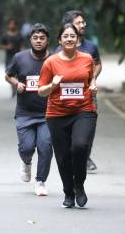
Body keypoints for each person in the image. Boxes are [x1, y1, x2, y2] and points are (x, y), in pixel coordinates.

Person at [38, 23, 97, 208]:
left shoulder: (87, 58)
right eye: (66, 36)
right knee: (63, 156)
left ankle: (79, 185)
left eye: (73, 36)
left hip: (83, 110)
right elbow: (41, 91)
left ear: (78, 39)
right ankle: (68, 193)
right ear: (59, 40)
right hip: (57, 114)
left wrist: (93, 85)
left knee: (79, 147)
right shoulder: (51, 62)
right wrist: (53, 86)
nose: (69, 39)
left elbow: (91, 77)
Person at [5, 23, 53, 196]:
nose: (38, 41)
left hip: (48, 113)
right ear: (30, 40)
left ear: (47, 40)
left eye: (42, 38)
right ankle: (26, 162)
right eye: (35, 38)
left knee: (45, 146)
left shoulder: (54, 59)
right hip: (25, 113)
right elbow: (8, 75)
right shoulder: (20, 58)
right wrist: (17, 83)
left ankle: (41, 181)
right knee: (27, 147)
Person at [56, 10, 102, 172]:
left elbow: (98, 65)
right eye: (78, 23)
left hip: (88, 95)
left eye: (83, 22)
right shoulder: (58, 51)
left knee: (88, 128)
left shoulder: (91, 47)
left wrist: (91, 79)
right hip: (65, 97)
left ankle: (85, 156)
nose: (83, 25)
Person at [0, 18, 24, 97]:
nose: (12, 25)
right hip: (9, 58)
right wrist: (7, 47)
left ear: (16, 25)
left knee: (17, 74)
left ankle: (16, 88)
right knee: (9, 73)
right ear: (8, 25)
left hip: (18, 57)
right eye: (10, 24)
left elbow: (22, 46)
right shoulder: (5, 35)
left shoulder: (19, 35)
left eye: (14, 24)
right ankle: (13, 89)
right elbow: (0, 45)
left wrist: (23, 53)